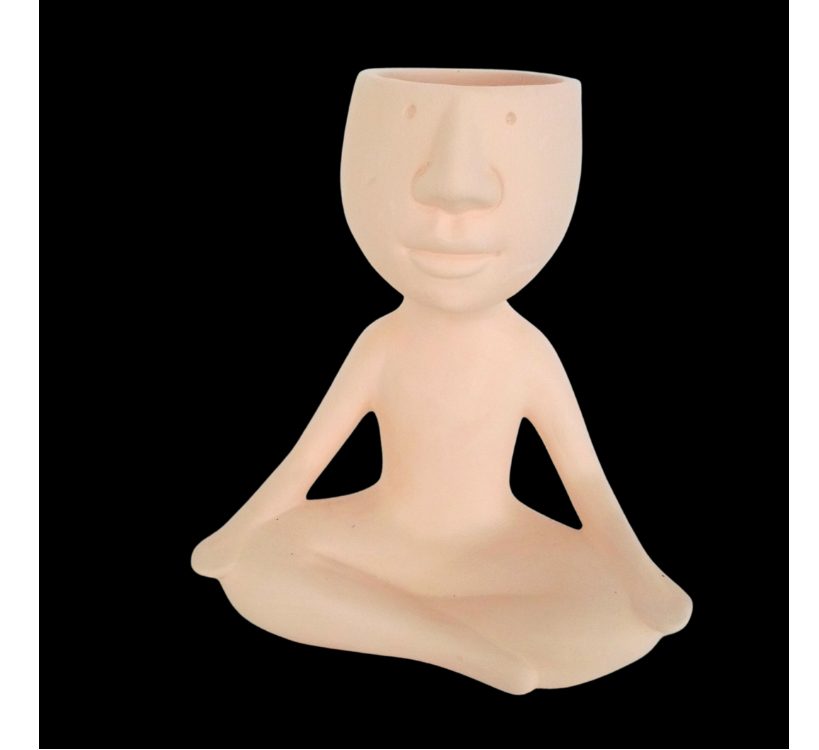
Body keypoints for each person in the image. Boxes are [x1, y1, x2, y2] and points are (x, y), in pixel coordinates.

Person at [192, 67, 692, 694]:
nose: (454, 194)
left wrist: (641, 575)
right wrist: (239, 532)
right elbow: (307, 460)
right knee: (263, 566)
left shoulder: (527, 353)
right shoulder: (382, 343)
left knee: (614, 620)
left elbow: (587, 482)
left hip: (501, 554)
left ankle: (424, 633)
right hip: (380, 540)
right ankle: (458, 649)